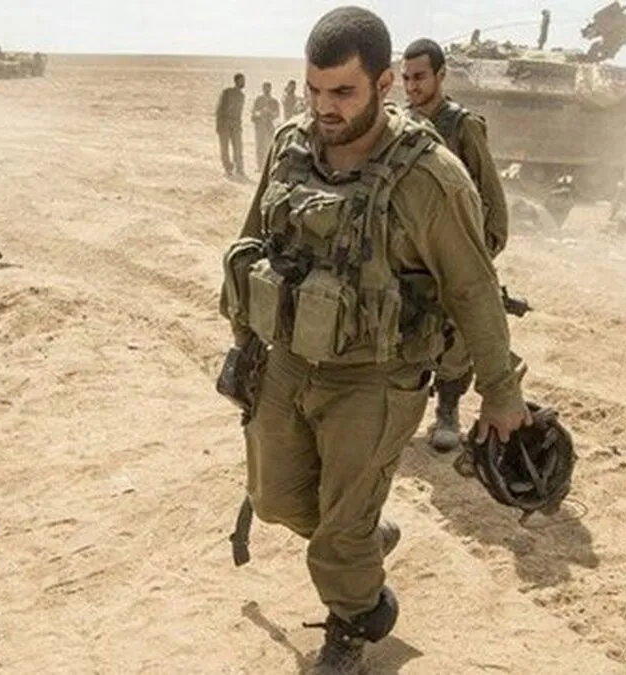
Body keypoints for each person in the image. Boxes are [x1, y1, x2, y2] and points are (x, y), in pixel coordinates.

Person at [218, 6, 529, 672]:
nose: (323, 107)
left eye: (343, 92)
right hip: (289, 358)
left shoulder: (429, 176)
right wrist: (244, 339)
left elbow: (473, 288)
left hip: (377, 376)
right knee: (274, 498)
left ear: (384, 84)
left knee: (339, 534)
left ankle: (357, 620)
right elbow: (253, 242)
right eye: (314, 89)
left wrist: (502, 392)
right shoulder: (290, 144)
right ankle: (362, 537)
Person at [400, 37, 510, 452]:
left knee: (456, 337)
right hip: (410, 254)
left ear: (441, 75)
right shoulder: (399, 125)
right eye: (406, 78)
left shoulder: (463, 126)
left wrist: (477, 257)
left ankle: (447, 410)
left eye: (420, 77)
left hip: (453, 252)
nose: (412, 86)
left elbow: (493, 201)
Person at [215, 72, 246, 178]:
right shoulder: (227, 92)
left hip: (236, 124)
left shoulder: (242, 96)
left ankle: (239, 168)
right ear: (236, 81)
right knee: (224, 147)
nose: (243, 82)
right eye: (241, 80)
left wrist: (239, 125)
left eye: (244, 80)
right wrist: (218, 124)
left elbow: (239, 112)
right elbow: (219, 109)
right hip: (225, 123)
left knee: (238, 147)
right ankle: (227, 168)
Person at [251, 80, 281, 165]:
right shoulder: (258, 99)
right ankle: (260, 164)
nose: (266, 90)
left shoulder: (274, 101)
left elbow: (277, 114)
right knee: (259, 145)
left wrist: (270, 113)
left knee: (269, 146)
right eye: (265, 88)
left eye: (268, 88)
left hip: (269, 125)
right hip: (260, 125)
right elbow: (254, 111)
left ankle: (267, 164)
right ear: (263, 89)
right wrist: (261, 113)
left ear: (270, 89)